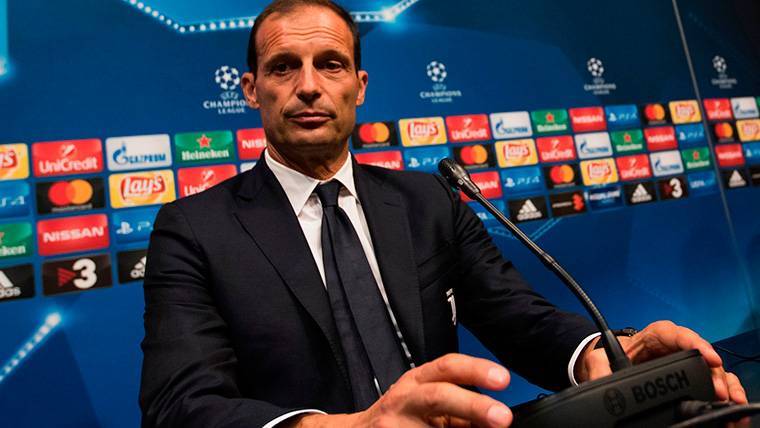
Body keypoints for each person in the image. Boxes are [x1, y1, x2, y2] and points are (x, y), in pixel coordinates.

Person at [139, 1, 747, 427]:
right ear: (251, 89)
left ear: (359, 85)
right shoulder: (193, 230)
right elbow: (181, 404)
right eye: (282, 67)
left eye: (330, 63)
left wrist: (608, 355)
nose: (308, 86)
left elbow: (516, 315)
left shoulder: (426, 200)